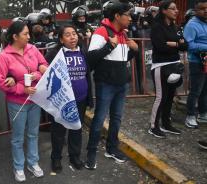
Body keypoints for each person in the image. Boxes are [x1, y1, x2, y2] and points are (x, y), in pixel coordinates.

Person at [85, 0, 138, 170]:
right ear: (117, 16)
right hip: (105, 84)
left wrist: (134, 50)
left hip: (121, 84)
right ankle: (91, 153)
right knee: (99, 119)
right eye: (127, 15)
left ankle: (111, 148)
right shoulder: (101, 32)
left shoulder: (123, 33)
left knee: (116, 118)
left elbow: (122, 59)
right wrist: (109, 45)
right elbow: (91, 58)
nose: (130, 18)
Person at [0, 21, 48, 182]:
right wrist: (21, 89)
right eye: (25, 34)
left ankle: (33, 162)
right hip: (17, 102)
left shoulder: (32, 48)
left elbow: (43, 65)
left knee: (33, 134)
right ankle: (18, 166)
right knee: (18, 137)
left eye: (28, 33)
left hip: (35, 99)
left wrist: (37, 75)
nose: (28, 36)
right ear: (15, 36)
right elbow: (1, 82)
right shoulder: (5, 56)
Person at [44, 25, 94, 173]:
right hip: (61, 101)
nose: (72, 37)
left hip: (81, 99)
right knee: (58, 131)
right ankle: (56, 158)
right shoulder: (54, 54)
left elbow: (87, 75)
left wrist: (90, 98)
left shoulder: (83, 51)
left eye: (74, 34)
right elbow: (43, 68)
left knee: (76, 129)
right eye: (67, 35)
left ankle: (75, 156)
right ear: (61, 39)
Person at [148, 0, 188, 138]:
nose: (176, 11)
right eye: (173, 8)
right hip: (161, 66)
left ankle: (166, 124)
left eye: (176, 8)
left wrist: (173, 43)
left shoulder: (176, 27)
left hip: (175, 65)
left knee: (170, 96)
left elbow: (185, 46)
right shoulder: (157, 27)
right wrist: (177, 44)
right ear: (164, 10)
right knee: (161, 97)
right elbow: (160, 47)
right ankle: (153, 126)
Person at [183, 0, 207, 128]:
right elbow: (189, 45)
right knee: (195, 91)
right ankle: (190, 116)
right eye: (202, 8)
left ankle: (203, 114)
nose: (206, 10)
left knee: (205, 90)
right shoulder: (192, 25)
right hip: (196, 62)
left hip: (206, 61)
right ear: (196, 10)